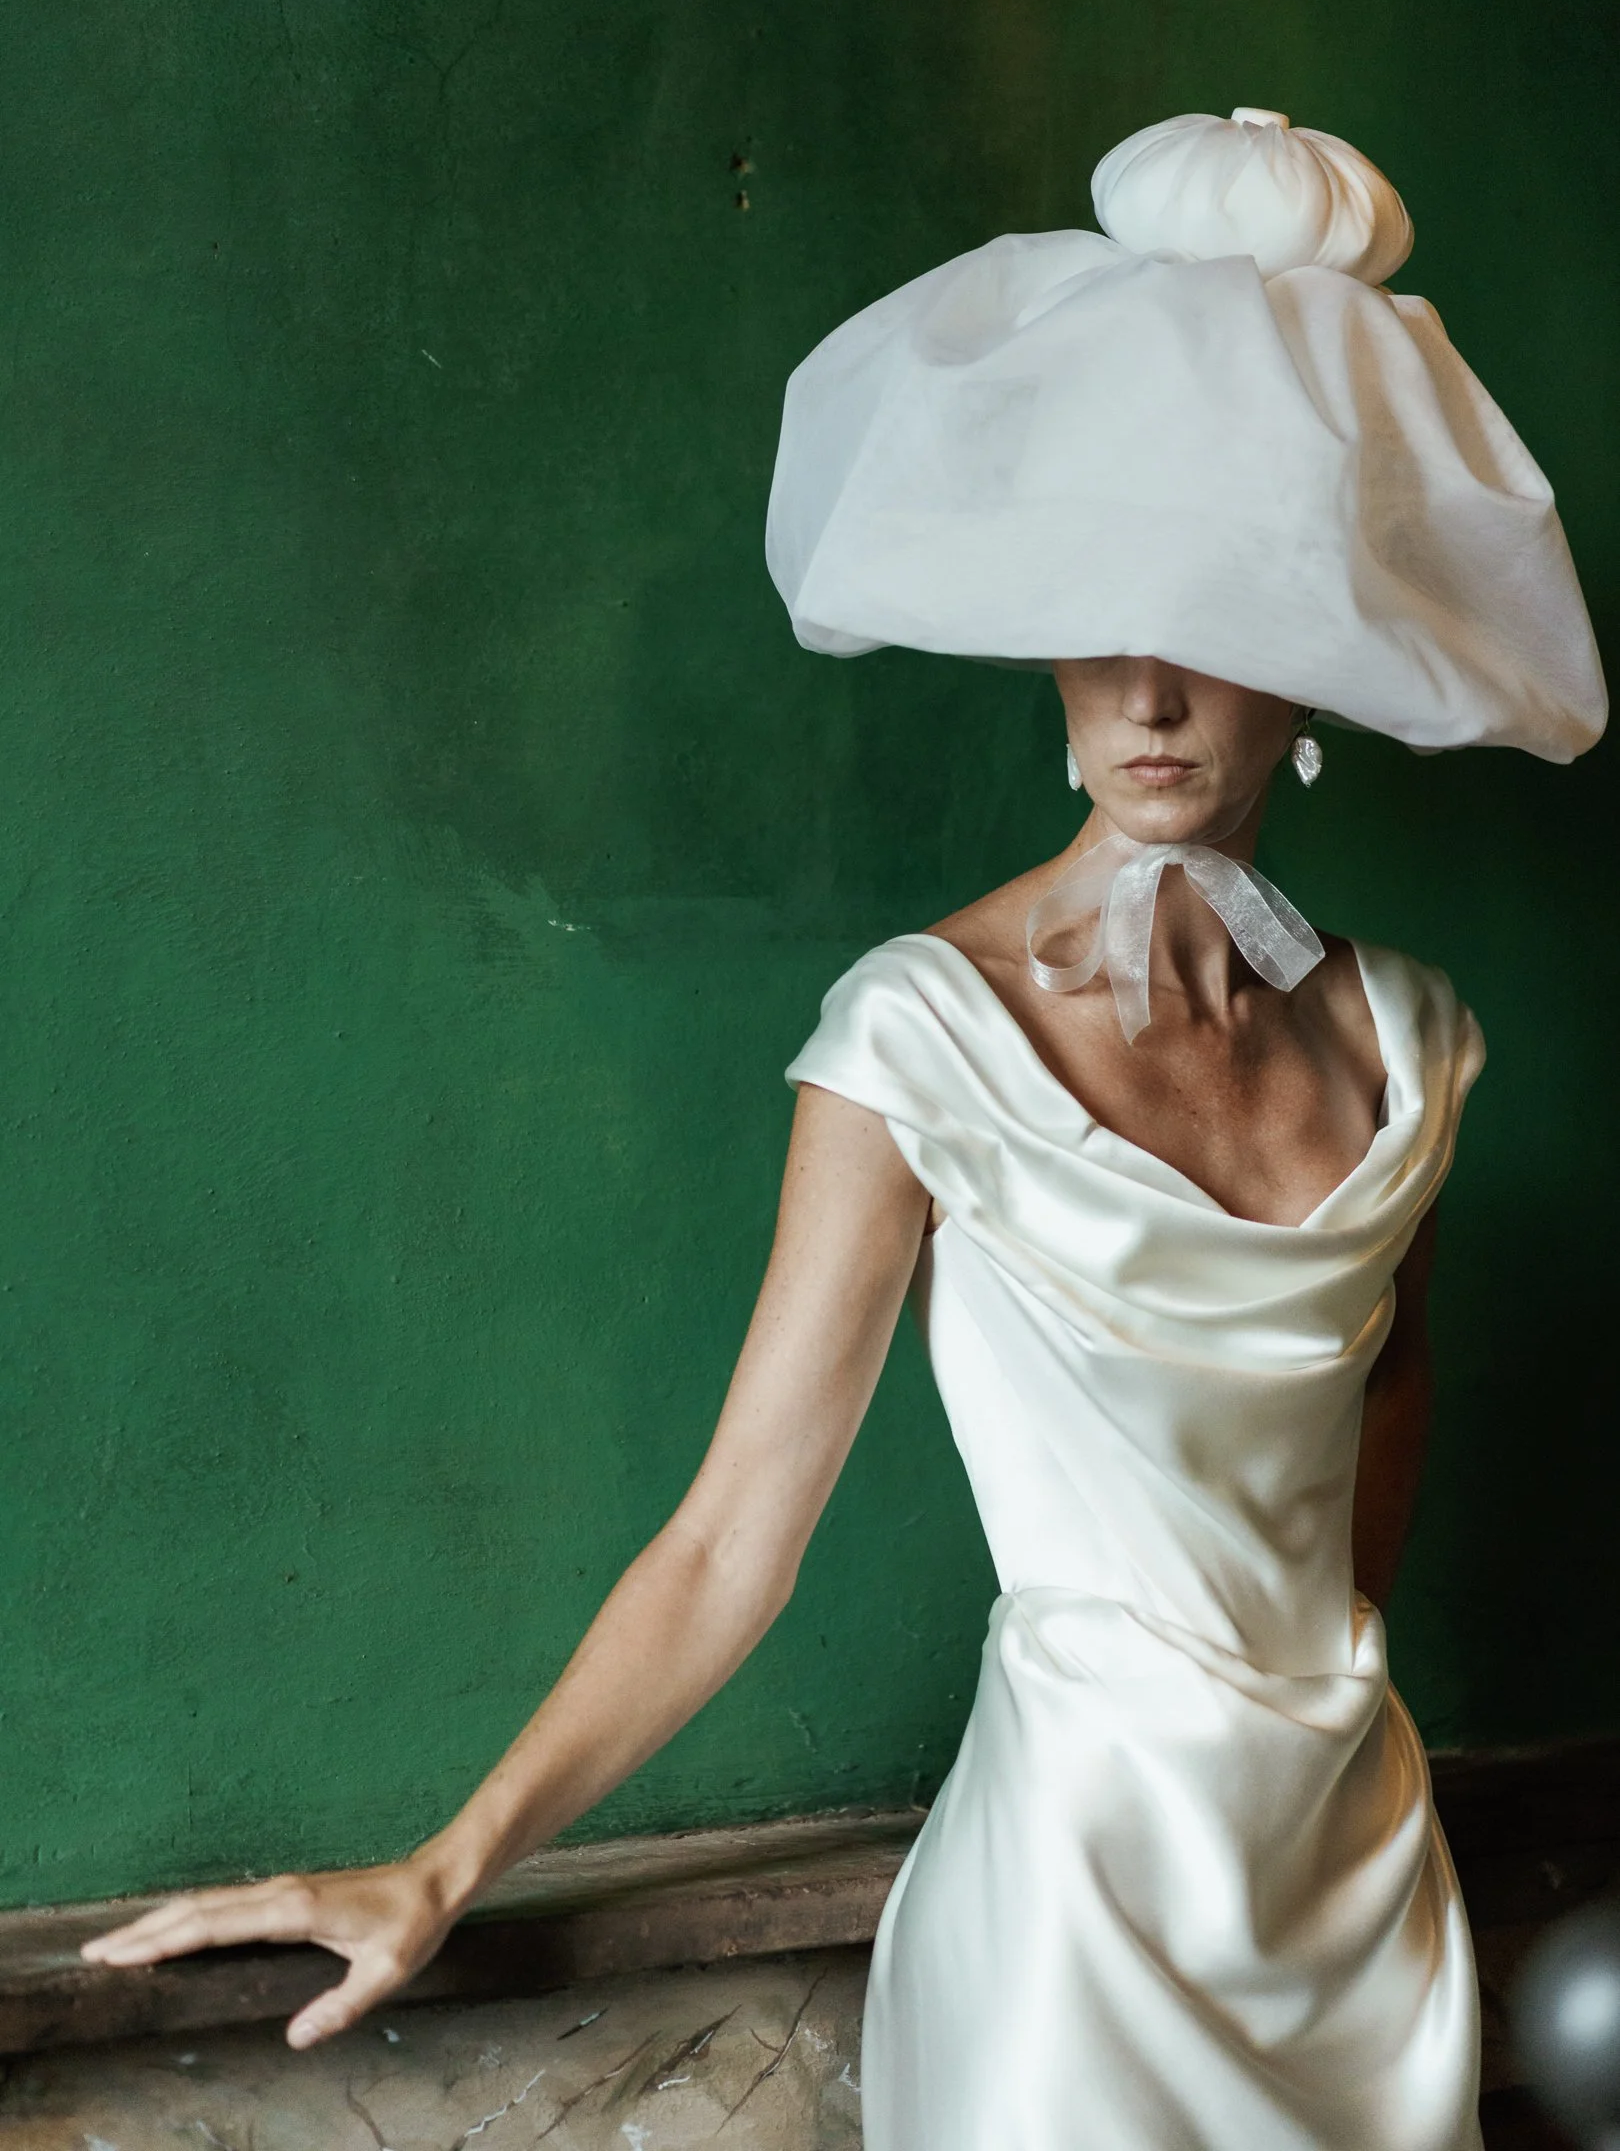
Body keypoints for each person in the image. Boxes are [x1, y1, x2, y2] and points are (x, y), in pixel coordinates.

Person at [84, 109, 1605, 2149]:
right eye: (1098, 615)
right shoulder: (921, 1034)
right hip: (1079, 1922)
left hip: (1354, 1893)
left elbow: (1384, 1393)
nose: (1148, 688)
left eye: (1214, 619)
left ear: (1310, 654)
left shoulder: (1414, 1044)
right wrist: (446, 1867)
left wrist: (1304, 1705)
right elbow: (733, 1541)